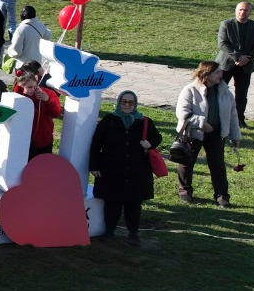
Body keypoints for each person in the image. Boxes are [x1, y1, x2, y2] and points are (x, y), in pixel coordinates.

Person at [89, 90, 161, 246]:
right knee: (112, 202)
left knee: (134, 204)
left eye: (131, 102)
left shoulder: (144, 121)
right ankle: (109, 231)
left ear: (135, 104)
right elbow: (96, 143)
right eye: (124, 102)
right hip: (112, 169)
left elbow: (157, 137)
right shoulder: (109, 120)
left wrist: (150, 144)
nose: (127, 105)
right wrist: (94, 166)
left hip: (136, 171)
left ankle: (133, 233)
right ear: (119, 103)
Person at [175, 61, 241, 207]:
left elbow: (232, 115)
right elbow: (182, 113)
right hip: (192, 133)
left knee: (218, 165)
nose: (221, 74)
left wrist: (235, 136)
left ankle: (222, 196)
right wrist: (201, 123)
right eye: (217, 72)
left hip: (216, 133)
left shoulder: (226, 92)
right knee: (187, 162)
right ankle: (185, 190)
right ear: (207, 74)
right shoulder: (190, 90)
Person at [217, 1, 254, 128]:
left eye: (246, 10)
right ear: (236, 10)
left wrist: (247, 58)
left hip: (245, 65)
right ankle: (218, 117)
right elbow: (223, 43)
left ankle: (239, 119)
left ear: (250, 12)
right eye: (240, 9)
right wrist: (237, 56)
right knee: (219, 91)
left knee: (242, 94)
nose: (242, 12)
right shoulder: (226, 24)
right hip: (226, 64)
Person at [12, 68, 63, 158]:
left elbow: (56, 113)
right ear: (20, 86)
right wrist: (20, 93)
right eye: (29, 87)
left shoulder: (47, 93)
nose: (33, 90)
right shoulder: (17, 96)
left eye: (35, 87)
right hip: (24, 140)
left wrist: (47, 100)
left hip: (44, 138)